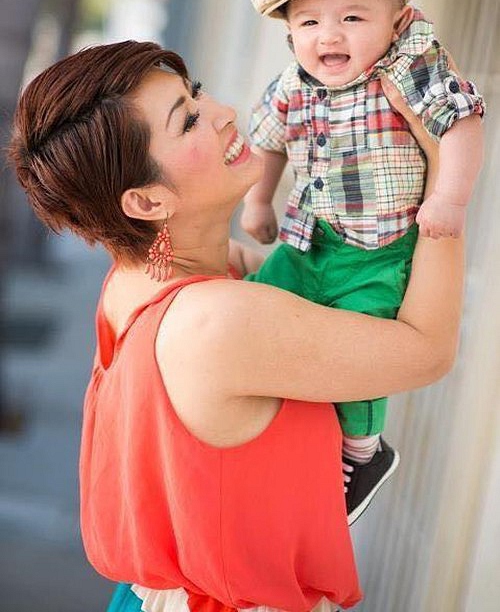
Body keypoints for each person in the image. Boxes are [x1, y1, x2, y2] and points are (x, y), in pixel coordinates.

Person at [10, 40, 464, 612]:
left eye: (196, 92)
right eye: (188, 121)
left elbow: (285, 289)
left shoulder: (140, 279)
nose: (223, 111)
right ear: (147, 202)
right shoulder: (212, 322)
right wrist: (444, 177)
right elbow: (427, 350)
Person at [241, 0, 484, 523]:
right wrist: (259, 203)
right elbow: (267, 143)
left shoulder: (408, 68)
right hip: (307, 241)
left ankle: (363, 451)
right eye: (309, 22)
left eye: (352, 17)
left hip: (379, 251)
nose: (329, 35)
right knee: (256, 309)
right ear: (291, 33)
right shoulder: (293, 83)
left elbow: (462, 124)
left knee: (361, 350)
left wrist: (450, 199)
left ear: (396, 23)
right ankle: (273, 424)